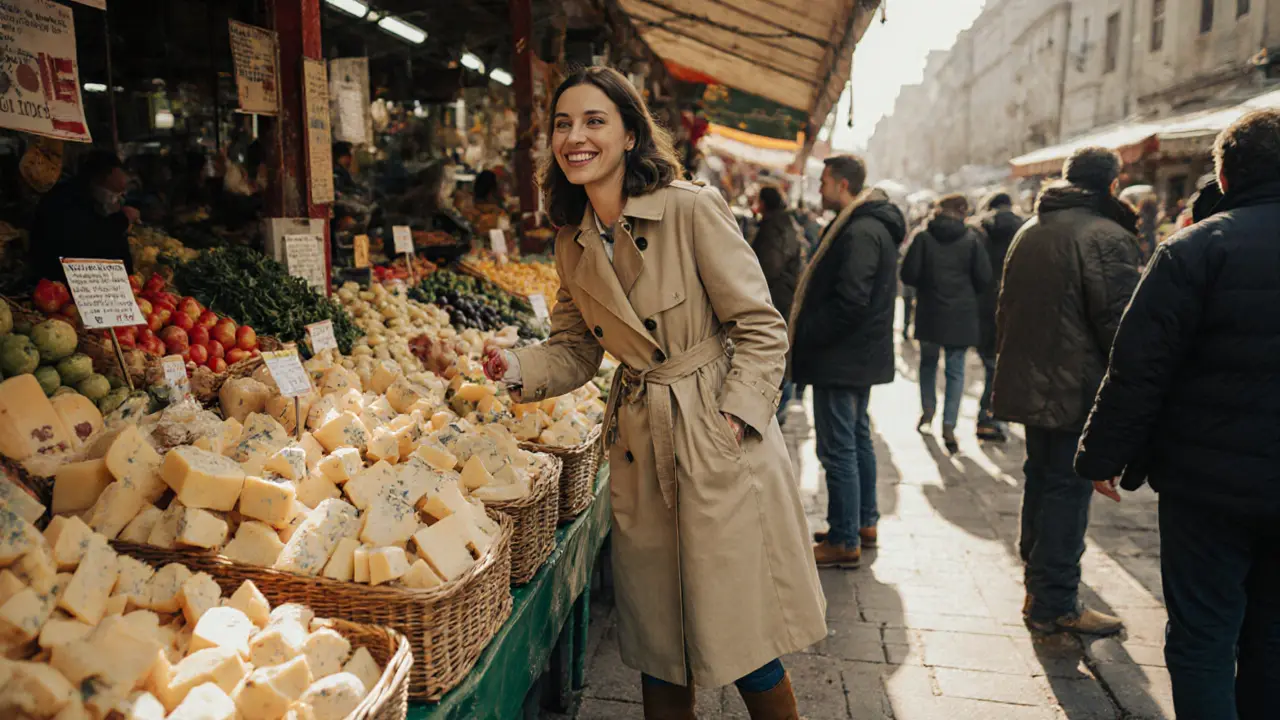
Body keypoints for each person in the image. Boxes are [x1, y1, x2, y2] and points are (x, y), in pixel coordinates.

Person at [480, 66, 825, 719]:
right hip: (639, 447)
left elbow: (759, 326)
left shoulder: (691, 208)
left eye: (594, 121)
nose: (575, 137)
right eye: (563, 124)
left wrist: (735, 419)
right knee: (657, 640)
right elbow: (578, 350)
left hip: (712, 439)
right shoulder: (571, 239)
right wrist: (511, 366)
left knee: (742, 634)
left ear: (631, 133)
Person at [1074, 110, 1280, 720]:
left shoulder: (1195, 247)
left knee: (1203, 636)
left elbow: (1140, 365)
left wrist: (1102, 455)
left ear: (1224, 171)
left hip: (1206, 485)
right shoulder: (1194, 247)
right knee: (1272, 637)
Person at [991, 146, 1140, 636]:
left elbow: (1007, 307)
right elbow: (1119, 327)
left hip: (1034, 379)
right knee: (1066, 491)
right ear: (1111, 184)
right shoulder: (1106, 236)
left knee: (1043, 479)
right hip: (1076, 388)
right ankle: (1054, 601)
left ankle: (1040, 584)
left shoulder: (1033, 229)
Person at [790, 155, 907, 568]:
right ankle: (862, 522)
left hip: (842, 357)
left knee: (838, 447)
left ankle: (844, 538)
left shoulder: (859, 231)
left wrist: (809, 332)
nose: (819, 190)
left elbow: (851, 300)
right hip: (858, 356)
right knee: (856, 440)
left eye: (823, 182)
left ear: (841, 185)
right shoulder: (868, 226)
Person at [901, 193, 991, 454]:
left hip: (929, 312)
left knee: (928, 364)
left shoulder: (923, 237)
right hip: (961, 315)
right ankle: (949, 424)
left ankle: (927, 410)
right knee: (955, 370)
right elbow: (984, 278)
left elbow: (908, 274)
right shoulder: (972, 240)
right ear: (962, 211)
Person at [32, 149, 138, 283]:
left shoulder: (89, 199)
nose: (116, 198)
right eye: (113, 192)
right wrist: (122, 220)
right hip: (66, 283)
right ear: (99, 178)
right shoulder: (64, 201)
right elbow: (87, 240)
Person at [974, 191, 1025, 443]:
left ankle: (990, 415)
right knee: (1002, 365)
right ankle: (990, 416)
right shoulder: (1025, 228)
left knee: (990, 365)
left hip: (983, 304)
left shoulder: (978, 230)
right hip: (1015, 304)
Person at [750, 186, 803, 426]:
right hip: (782, 299)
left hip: (774, 300)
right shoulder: (785, 224)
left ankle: (778, 412)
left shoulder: (774, 228)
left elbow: (766, 268)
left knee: (775, 353)